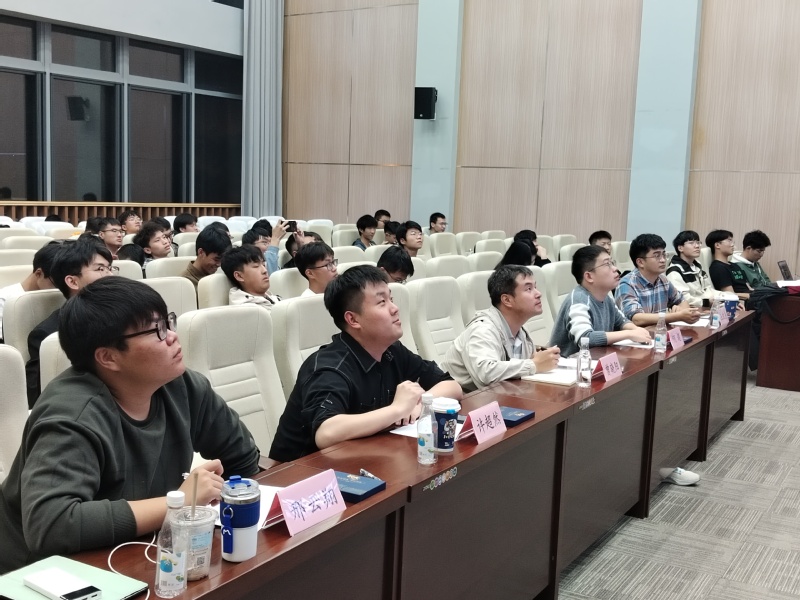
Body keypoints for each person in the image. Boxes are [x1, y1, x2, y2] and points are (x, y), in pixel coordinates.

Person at [0, 277, 260, 574]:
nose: (173, 337)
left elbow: (242, 457)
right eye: (157, 330)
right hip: (43, 573)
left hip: (139, 550)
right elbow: (52, 525)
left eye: (168, 322)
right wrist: (178, 503)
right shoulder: (72, 414)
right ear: (108, 357)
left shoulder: (182, 386)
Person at [268, 266, 463, 462]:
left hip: (368, 459)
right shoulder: (329, 367)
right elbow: (326, 433)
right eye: (382, 302)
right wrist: (397, 409)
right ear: (353, 319)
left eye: (391, 299)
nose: (395, 308)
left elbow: (452, 386)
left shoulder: (392, 351)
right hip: (303, 472)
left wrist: (420, 405)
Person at [26, 240, 116, 407]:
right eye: (100, 269)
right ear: (73, 282)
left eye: (110, 268)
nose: (110, 275)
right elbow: (39, 396)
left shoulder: (124, 315)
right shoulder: (48, 333)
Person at [442, 265, 560, 392]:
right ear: (507, 300)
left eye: (535, 287)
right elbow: (486, 374)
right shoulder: (483, 329)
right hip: (460, 401)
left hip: (499, 397)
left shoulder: (520, 331)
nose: (538, 294)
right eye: (529, 289)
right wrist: (534, 365)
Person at [549, 245, 651, 357]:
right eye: (607, 264)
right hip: (568, 364)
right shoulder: (578, 300)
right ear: (589, 276)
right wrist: (629, 334)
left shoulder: (605, 298)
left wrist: (637, 330)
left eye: (612, 263)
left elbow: (622, 321)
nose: (615, 268)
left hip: (595, 360)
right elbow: (585, 338)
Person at [615, 234, 700, 326]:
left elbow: (683, 301)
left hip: (659, 332)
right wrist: (676, 316)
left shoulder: (663, 280)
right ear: (640, 262)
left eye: (664, 254)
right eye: (657, 256)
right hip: (637, 334)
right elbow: (636, 319)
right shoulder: (627, 284)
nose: (663, 260)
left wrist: (679, 309)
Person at [0, 242, 60, 341]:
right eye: (57, 284)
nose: (61, 289)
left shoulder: (61, 297)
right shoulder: (4, 300)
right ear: (39, 274)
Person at [665, 230, 715, 307]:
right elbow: (683, 298)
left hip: (706, 306)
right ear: (680, 248)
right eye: (691, 243)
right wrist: (706, 302)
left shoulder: (697, 265)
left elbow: (708, 288)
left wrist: (724, 297)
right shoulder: (674, 271)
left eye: (698, 242)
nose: (697, 246)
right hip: (692, 309)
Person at [222, 245, 282, 309]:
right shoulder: (245, 309)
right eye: (256, 266)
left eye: (264, 265)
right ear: (239, 276)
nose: (265, 271)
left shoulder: (273, 298)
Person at [706, 229, 750, 298]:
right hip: (742, 300)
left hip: (751, 296)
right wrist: (752, 296)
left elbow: (748, 287)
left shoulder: (735, 265)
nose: (733, 245)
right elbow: (729, 294)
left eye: (732, 241)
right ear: (717, 245)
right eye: (729, 241)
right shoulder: (718, 268)